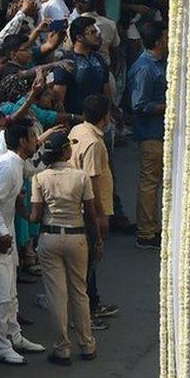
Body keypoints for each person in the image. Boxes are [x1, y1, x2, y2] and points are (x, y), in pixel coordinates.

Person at [0, 123, 46, 365]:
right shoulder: (7, 166)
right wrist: (2, 233)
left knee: (10, 294)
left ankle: (14, 337)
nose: (36, 140)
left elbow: (32, 171)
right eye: (33, 136)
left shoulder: (16, 164)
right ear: (22, 141)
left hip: (7, 238)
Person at [30, 130, 101, 366]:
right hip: (76, 236)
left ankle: (62, 348)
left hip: (49, 237)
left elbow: (36, 215)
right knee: (79, 291)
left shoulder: (40, 178)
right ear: (64, 151)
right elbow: (91, 214)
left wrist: (21, 210)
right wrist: (97, 240)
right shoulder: (80, 177)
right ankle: (87, 344)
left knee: (56, 295)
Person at [68, 94, 119, 325]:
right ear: (104, 116)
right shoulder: (93, 143)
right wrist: (99, 216)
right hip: (87, 209)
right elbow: (93, 180)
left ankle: (93, 303)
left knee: (88, 263)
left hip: (76, 206)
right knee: (88, 262)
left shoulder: (78, 130)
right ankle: (84, 313)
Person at [127, 21, 167, 249]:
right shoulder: (145, 68)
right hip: (151, 133)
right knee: (150, 182)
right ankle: (146, 231)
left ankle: (153, 226)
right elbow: (139, 104)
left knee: (155, 181)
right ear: (159, 41)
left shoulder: (158, 63)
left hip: (160, 131)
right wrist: (168, 106)